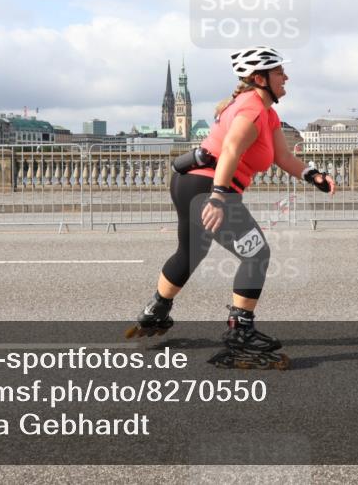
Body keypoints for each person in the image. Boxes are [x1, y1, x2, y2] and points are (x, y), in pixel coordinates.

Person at [125, 46, 336, 369]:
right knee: (256, 253)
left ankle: (156, 310)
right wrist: (219, 197)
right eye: (279, 72)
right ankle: (240, 332)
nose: (286, 77)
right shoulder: (250, 109)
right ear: (259, 78)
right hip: (207, 188)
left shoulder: (267, 112)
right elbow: (231, 150)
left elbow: (283, 157)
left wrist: (313, 175)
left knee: (191, 252)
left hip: (190, 183)